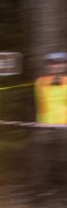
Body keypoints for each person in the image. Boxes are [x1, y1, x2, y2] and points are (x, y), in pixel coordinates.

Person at [33, 52, 67, 200]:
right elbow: (40, 105)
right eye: (53, 64)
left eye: (60, 63)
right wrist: (40, 126)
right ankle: (41, 194)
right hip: (46, 128)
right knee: (44, 162)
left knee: (64, 161)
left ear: (65, 65)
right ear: (48, 66)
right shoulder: (40, 82)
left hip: (65, 128)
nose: (56, 66)